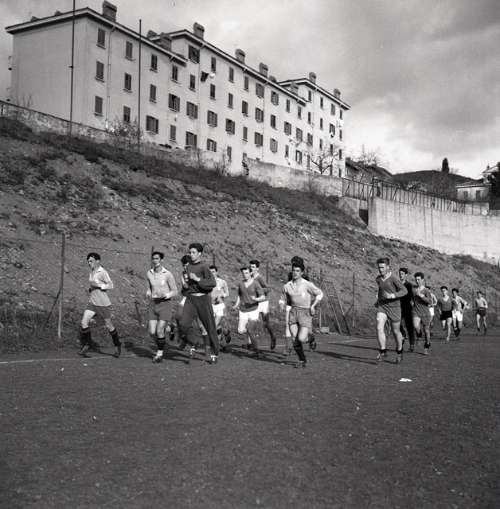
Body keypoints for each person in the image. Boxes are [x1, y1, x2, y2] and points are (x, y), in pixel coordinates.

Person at [179, 243, 219, 364]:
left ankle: (214, 353)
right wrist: (185, 287)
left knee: (209, 327)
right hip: (191, 299)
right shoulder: (188, 267)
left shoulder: (204, 266)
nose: (191, 254)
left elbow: (212, 283)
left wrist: (198, 279)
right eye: (190, 252)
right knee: (183, 324)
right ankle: (194, 342)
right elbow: (188, 285)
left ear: (199, 253)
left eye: (193, 252)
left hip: (203, 299)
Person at [279, 259, 323, 368]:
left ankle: (311, 338)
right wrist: (281, 303)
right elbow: (283, 296)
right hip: (293, 312)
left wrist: (313, 306)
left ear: (302, 272)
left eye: (297, 271)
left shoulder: (307, 284)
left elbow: (320, 294)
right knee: (295, 338)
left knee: (302, 339)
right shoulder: (287, 285)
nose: (295, 273)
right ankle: (302, 360)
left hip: (305, 312)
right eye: (294, 270)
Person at [79, 252, 121, 358]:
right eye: (88, 261)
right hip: (92, 302)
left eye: (91, 261)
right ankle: (88, 344)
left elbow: (111, 285)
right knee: (84, 322)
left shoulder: (103, 272)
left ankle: (117, 345)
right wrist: (91, 289)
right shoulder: (92, 272)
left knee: (109, 325)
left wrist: (99, 285)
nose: (89, 263)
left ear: (98, 261)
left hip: (103, 304)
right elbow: (92, 284)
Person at [374, 257, 407, 364]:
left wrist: (393, 295)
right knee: (379, 326)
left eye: (382, 267)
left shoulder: (393, 278)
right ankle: (383, 351)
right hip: (383, 306)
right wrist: (378, 301)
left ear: (388, 267)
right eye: (379, 267)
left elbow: (404, 291)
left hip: (394, 308)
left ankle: (399, 352)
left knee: (396, 332)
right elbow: (381, 290)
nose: (380, 270)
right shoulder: (378, 279)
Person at [146, 251, 177, 363]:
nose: (155, 261)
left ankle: (159, 354)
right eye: (153, 259)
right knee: (152, 332)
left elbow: (175, 291)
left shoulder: (167, 274)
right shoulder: (149, 273)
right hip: (153, 304)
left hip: (165, 304)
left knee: (159, 330)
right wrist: (148, 292)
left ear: (161, 260)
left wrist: (166, 295)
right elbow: (149, 287)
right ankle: (169, 329)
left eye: (157, 259)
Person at [233, 267, 266, 357]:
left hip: (253, 310)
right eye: (243, 273)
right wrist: (236, 305)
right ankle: (252, 340)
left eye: (247, 273)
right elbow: (239, 296)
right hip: (243, 310)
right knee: (240, 331)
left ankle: (256, 349)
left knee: (250, 329)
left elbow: (263, 296)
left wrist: (256, 299)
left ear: (251, 273)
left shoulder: (255, 283)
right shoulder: (241, 283)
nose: (245, 275)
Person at [249, 260, 277, 350]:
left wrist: (258, 290)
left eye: (253, 267)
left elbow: (268, 289)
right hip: (255, 303)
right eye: (250, 267)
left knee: (265, 323)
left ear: (257, 268)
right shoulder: (249, 278)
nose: (251, 268)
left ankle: (273, 336)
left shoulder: (260, 278)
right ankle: (251, 344)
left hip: (263, 302)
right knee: (251, 322)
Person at [209, 265, 231, 349]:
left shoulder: (222, 282)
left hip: (219, 306)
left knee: (214, 326)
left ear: (216, 272)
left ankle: (217, 342)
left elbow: (227, 293)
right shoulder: (207, 282)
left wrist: (222, 295)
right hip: (211, 306)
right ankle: (224, 336)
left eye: (213, 272)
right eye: (210, 272)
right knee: (217, 326)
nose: (212, 273)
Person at [412, 273, 432, 355]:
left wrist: (421, 296)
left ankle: (426, 346)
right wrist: (411, 302)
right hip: (416, 311)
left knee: (426, 331)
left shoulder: (426, 290)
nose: (417, 281)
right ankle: (419, 335)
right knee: (415, 326)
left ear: (423, 280)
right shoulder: (414, 290)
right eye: (416, 279)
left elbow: (430, 302)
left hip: (425, 313)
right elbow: (412, 299)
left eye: (419, 279)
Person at [399, 267, 416, 352]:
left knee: (409, 326)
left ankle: (411, 344)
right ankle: (403, 333)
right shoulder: (397, 284)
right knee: (397, 324)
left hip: (407, 307)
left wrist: (412, 303)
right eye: (399, 274)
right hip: (398, 307)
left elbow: (412, 296)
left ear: (406, 275)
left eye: (402, 274)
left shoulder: (409, 285)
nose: (400, 275)